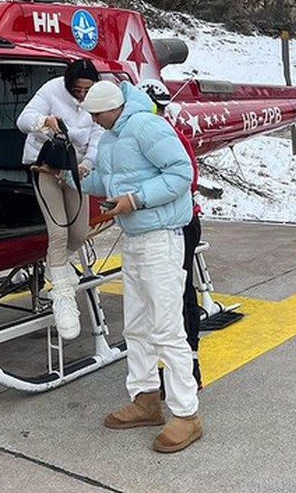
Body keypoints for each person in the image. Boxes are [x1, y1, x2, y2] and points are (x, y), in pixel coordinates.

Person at [81, 79, 202, 453]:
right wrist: (71, 174)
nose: (93, 121)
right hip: (135, 237)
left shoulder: (146, 125)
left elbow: (181, 173)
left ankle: (187, 414)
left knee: (166, 327)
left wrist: (135, 200)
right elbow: (106, 179)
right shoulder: (112, 136)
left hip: (161, 237)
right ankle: (146, 397)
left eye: (96, 114)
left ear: (110, 107)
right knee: (136, 324)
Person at [17, 59, 101, 340]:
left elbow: (98, 135)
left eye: (87, 90)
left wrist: (87, 164)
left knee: (79, 233)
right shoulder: (52, 90)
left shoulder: (96, 99)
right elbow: (23, 120)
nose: (82, 95)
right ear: (68, 84)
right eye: (77, 89)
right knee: (59, 231)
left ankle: (56, 267)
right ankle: (63, 297)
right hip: (47, 166)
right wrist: (44, 122)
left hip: (76, 169)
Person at [138, 78, 203, 391]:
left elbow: (185, 179)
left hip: (178, 225)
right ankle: (183, 366)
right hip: (178, 223)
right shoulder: (159, 133)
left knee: (178, 293)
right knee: (175, 292)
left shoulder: (162, 136)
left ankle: (189, 369)